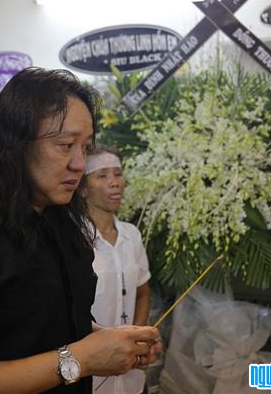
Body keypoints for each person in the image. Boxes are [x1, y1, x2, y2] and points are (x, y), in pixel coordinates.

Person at [0, 67, 162, 394]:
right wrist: (82, 358)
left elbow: (48, 323)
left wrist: (110, 344)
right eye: (66, 145)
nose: (80, 164)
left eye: (85, 147)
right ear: (15, 144)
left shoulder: (60, 222)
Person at [83, 147, 151, 394]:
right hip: (90, 372)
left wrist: (138, 340)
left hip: (131, 372)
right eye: (102, 176)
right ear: (82, 188)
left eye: (118, 174)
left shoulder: (131, 235)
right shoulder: (74, 238)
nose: (114, 183)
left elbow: (142, 292)